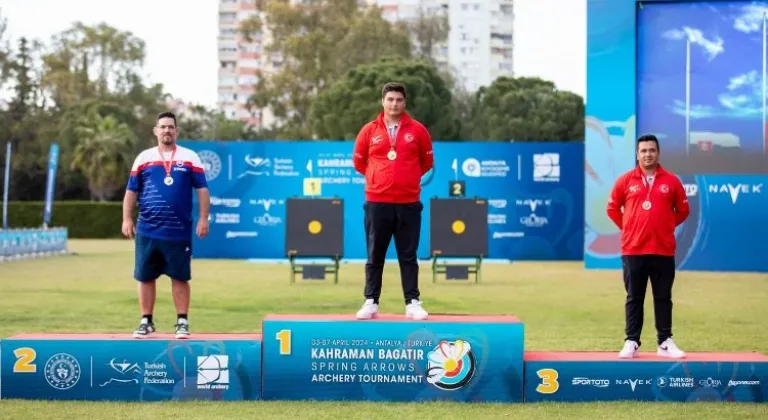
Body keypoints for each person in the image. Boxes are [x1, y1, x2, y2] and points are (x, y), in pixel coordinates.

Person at [122, 111, 211, 339]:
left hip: (178, 231)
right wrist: (127, 218)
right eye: (162, 127)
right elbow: (131, 190)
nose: (167, 130)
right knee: (145, 276)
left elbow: (202, 189)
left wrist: (203, 218)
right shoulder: (144, 158)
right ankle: (146, 321)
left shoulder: (190, 157)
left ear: (177, 131)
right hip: (147, 230)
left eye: (171, 127)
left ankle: (182, 321)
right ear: (156, 131)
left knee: (180, 277)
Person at [352, 82, 434, 320]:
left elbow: (426, 163)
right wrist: (379, 178)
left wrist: (405, 180)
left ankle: (412, 302)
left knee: (408, 255)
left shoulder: (418, 130)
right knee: (375, 254)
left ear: (404, 102)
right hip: (377, 202)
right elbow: (359, 163)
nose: (394, 104)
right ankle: (370, 301)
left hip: (408, 202)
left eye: (398, 99)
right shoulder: (369, 130)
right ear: (383, 102)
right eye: (390, 99)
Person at [606, 134, 690, 359]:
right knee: (634, 297)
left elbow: (683, 211)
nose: (647, 154)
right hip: (634, 249)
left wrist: (665, 225)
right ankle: (631, 341)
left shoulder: (671, 181)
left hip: (663, 249)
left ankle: (664, 342)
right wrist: (630, 227)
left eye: (651, 150)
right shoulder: (625, 180)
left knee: (663, 297)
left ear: (658, 153)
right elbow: (612, 209)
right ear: (637, 154)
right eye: (643, 151)